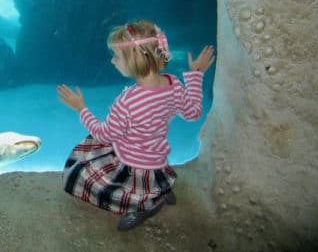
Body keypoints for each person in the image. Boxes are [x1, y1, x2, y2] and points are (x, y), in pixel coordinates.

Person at [57, 20, 215, 231]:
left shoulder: (128, 102)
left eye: (117, 56)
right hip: (157, 158)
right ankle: (161, 190)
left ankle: (144, 207)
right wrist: (195, 74)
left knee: (79, 167)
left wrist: (81, 109)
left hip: (132, 165)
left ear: (134, 59)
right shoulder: (174, 84)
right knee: (150, 171)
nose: (113, 61)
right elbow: (194, 113)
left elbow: (104, 135)